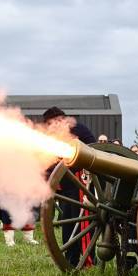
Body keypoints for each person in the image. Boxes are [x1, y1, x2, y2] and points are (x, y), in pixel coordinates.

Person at [44, 107, 96, 266]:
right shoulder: (53, 137)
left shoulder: (78, 130)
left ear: (59, 120)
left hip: (81, 184)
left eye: (50, 123)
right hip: (65, 187)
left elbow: (93, 152)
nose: (49, 128)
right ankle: (71, 258)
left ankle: (88, 260)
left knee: (83, 223)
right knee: (67, 223)